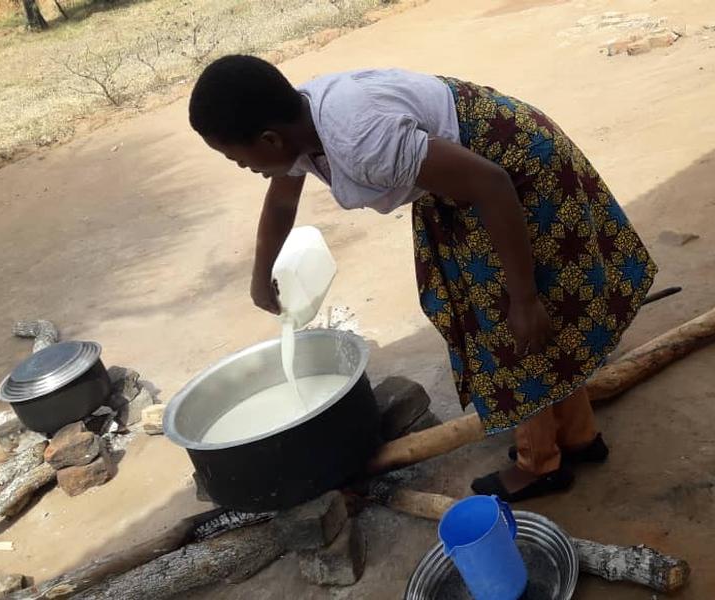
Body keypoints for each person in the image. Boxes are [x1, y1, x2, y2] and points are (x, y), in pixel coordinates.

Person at [188, 55, 657, 502]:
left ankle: (542, 465)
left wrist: (525, 297)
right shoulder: (299, 124)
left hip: (516, 178)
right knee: (502, 318)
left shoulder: (360, 138)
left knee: (511, 331)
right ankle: (578, 435)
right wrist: (259, 275)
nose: (243, 168)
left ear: (270, 139)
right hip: (467, 179)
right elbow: (282, 202)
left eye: (237, 158)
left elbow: (492, 184)